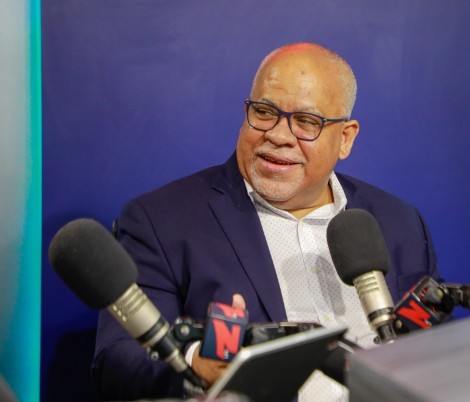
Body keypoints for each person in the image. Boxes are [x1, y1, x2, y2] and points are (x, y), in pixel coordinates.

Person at [92, 43, 441, 401]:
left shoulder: (399, 222)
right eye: (264, 112)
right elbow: (117, 361)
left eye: (306, 122)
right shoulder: (163, 221)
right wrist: (194, 365)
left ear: (345, 138)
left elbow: (439, 347)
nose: (278, 135)